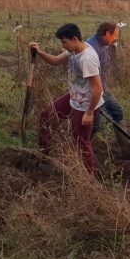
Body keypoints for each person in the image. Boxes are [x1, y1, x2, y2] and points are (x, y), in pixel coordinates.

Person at [30, 23, 104, 175]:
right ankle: (43, 155)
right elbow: (55, 61)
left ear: (75, 39)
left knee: (81, 141)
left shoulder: (87, 59)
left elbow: (97, 89)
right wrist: (39, 52)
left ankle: (88, 179)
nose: (63, 46)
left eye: (64, 42)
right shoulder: (73, 51)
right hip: (74, 97)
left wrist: (89, 112)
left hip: (85, 104)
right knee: (46, 115)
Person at [86, 22, 124, 133]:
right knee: (97, 123)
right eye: (115, 35)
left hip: (102, 88)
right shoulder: (91, 49)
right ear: (107, 33)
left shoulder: (103, 44)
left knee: (117, 111)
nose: (116, 38)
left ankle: (127, 148)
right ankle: (79, 147)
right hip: (93, 91)